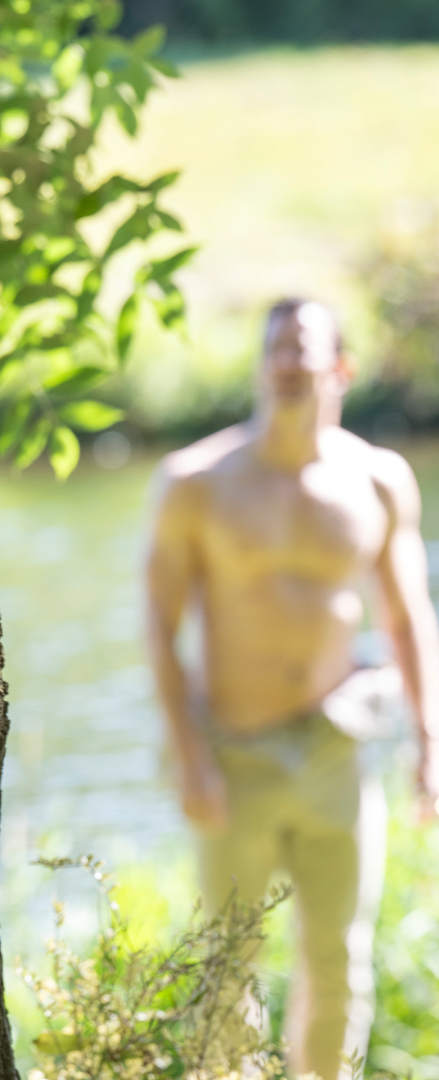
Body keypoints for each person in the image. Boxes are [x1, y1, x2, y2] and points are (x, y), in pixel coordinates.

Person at [145, 298, 439, 1080]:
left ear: (341, 368)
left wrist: (429, 741)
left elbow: (407, 617)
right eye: (274, 349)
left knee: (339, 959)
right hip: (233, 751)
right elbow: (159, 631)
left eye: (301, 349)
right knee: (227, 966)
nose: (285, 364)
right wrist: (189, 757)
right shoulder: (196, 481)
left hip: (335, 747)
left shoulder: (378, 481)